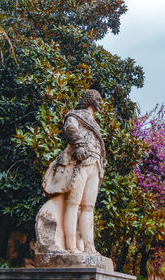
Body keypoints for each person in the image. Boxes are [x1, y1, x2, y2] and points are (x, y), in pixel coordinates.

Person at [35, 89, 106, 254]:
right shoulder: (75, 115)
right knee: (73, 203)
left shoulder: (95, 123)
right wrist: (79, 144)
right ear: (90, 99)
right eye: (98, 99)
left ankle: (89, 247)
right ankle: (71, 247)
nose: (101, 103)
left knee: (88, 207)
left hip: (95, 165)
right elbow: (70, 128)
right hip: (79, 162)